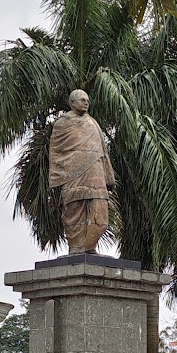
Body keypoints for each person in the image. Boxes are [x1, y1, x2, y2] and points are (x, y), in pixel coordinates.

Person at [47, 89, 116, 254]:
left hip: (95, 172)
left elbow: (103, 151)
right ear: (72, 102)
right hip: (72, 175)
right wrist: (59, 175)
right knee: (73, 210)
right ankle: (77, 248)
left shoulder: (92, 123)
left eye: (87, 100)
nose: (86, 102)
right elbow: (56, 152)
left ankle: (89, 246)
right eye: (82, 100)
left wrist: (108, 175)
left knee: (100, 211)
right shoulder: (62, 124)